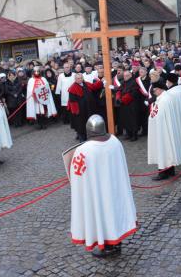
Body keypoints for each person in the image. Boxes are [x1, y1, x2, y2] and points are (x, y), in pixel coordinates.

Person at [68, 115, 137, 258]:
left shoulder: (83, 150)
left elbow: (77, 175)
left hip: (99, 192)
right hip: (114, 188)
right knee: (114, 213)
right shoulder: (115, 141)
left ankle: (109, 246)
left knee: (103, 214)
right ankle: (116, 243)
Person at [147, 80, 181, 180]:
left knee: (163, 148)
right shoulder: (165, 97)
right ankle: (170, 170)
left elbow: (158, 116)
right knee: (167, 148)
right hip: (165, 128)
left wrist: (152, 119)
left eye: (155, 90)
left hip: (162, 129)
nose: (154, 92)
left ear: (160, 89)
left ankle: (163, 172)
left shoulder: (163, 100)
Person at [67, 73, 101, 142]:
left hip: (88, 108)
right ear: (75, 79)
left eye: (81, 78)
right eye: (78, 78)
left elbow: (94, 86)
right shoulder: (72, 88)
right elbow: (72, 101)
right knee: (80, 124)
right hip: (80, 110)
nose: (80, 79)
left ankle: (89, 135)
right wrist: (76, 111)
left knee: (88, 122)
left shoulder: (86, 84)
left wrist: (101, 82)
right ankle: (81, 137)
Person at [117, 70, 141, 142]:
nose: (125, 77)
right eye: (124, 76)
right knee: (126, 119)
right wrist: (118, 97)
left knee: (133, 120)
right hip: (124, 105)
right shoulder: (123, 82)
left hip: (131, 105)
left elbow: (133, 94)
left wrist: (123, 99)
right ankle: (128, 133)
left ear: (130, 75)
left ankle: (134, 135)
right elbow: (119, 90)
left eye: (127, 76)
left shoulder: (134, 83)